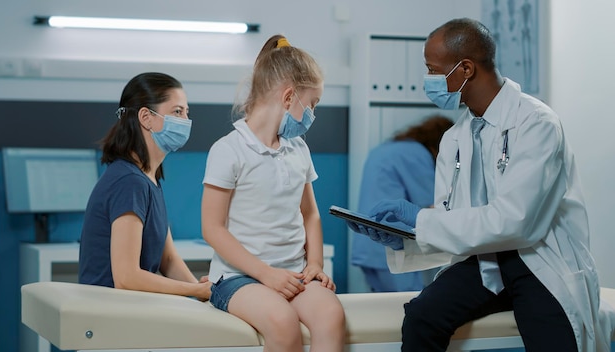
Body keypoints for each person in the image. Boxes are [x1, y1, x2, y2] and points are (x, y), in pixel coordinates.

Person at [349, 18, 610, 351]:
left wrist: (421, 218)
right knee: (421, 317)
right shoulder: (455, 137)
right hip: (485, 263)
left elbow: (514, 221)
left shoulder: (536, 123)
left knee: (552, 339)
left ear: (466, 69)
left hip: (539, 261)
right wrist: (407, 238)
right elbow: (455, 219)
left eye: (432, 70)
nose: (428, 81)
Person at [201, 34, 345, 352]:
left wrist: (316, 264)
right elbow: (212, 228)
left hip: (294, 272)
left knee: (331, 315)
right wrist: (267, 275)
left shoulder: (298, 149)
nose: (313, 114)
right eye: (313, 104)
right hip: (237, 278)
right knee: (282, 322)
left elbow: (310, 214)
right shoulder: (229, 150)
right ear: (289, 97)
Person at [79, 72, 211, 301]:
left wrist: (205, 295)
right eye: (177, 112)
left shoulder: (149, 178)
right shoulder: (129, 182)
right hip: (111, 315)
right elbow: (126, 277)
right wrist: (195, 291)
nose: (185, 121)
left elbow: (167, 260)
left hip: (134, 309)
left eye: (187, 113)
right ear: (146, 117)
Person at [351, 115, 453, 292]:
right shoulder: (418, 155)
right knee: (405, 308)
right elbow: (433, 206)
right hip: (392, 246)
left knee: (384, 312)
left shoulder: (388, 149)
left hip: (368, 247)